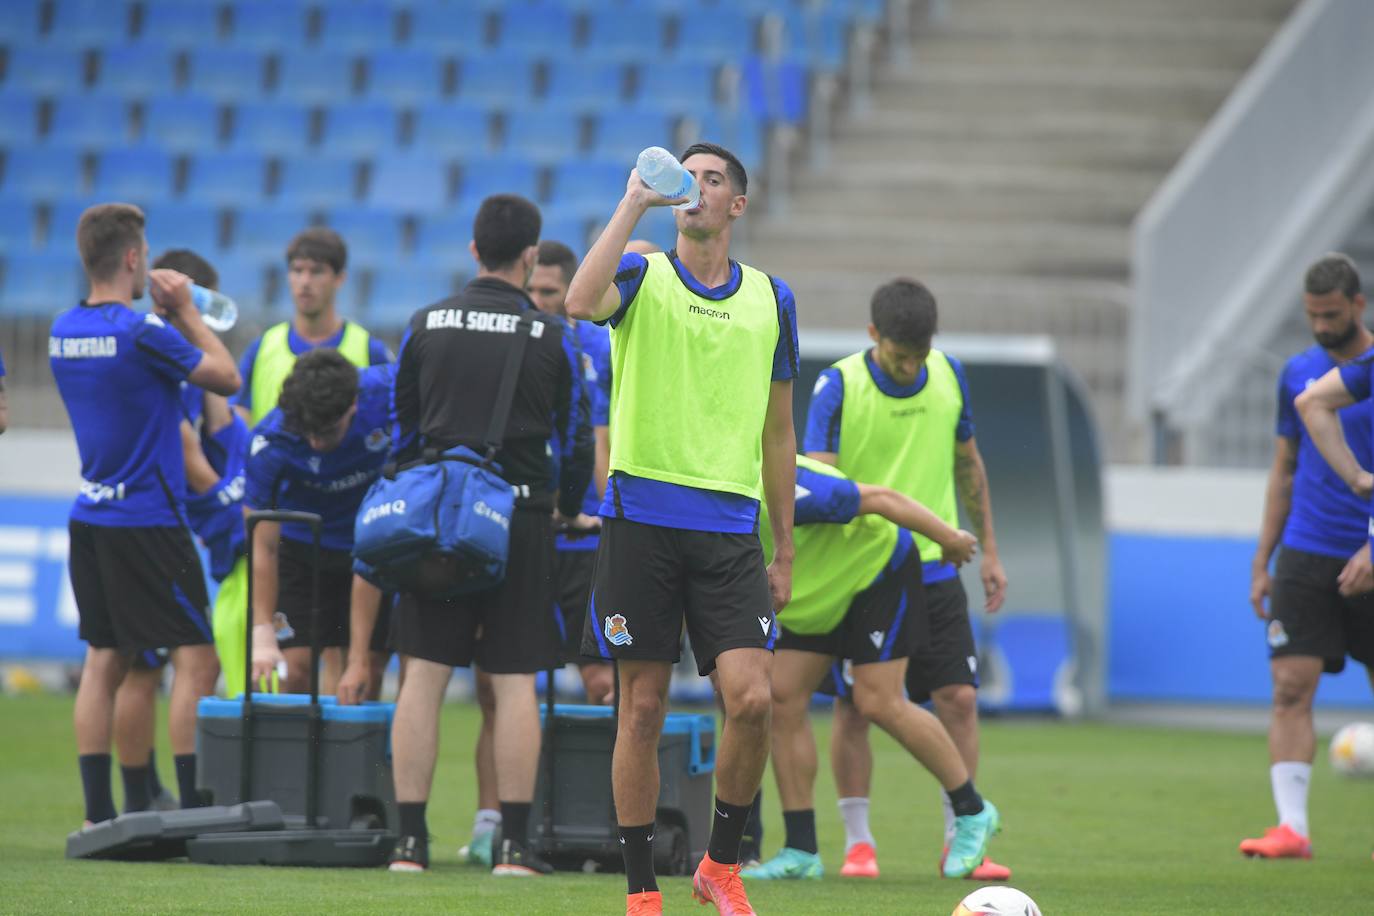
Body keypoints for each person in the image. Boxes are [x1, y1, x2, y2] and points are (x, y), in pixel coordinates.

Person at [566, 142, 798, 916]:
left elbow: (779, 435)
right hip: (642, 521)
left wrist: (786, 543)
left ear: (736, 205)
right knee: (641, 709)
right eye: (687, 178)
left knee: (754, 699)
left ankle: (719, 866)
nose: (696, 189)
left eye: (713, 180)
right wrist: (633, 201)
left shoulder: (772, 298)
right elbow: (575, 301)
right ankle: (640, 892)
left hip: (732, 530)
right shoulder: (640, 272)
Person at [346, 194, 593, 878]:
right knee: (513, 682)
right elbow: (574, 442)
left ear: (472, 252)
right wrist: (568, 507)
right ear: (531, 258)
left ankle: (409, 845)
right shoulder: (551, 336)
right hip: (519, 521)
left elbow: (403, 433)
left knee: (421, 678)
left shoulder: (425, 323)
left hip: (435, 524)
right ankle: (514, 847)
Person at [803, 277, 1010, 881]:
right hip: (864, 570)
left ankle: (960, 840)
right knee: (854, 710)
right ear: (873, 336)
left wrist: (990, 549)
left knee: (960, 699)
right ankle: (859, 844)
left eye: (918, 355)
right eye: (899, 355)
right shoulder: (837, 385)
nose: (910, 365)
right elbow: (823, 490)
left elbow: (967, 463)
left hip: (939, 566)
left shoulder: (949, 375)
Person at [50, 203, 240, 826]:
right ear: (134, 259)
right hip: (149, 520)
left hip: (92, 513)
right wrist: (185, 310)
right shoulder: (140, 332)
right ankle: (190, 806)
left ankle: (99, 813)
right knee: (197, 657)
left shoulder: (62, 331)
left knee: (105, 660)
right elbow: (225, 376)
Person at [741, 455, 1001, 881]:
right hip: (812, 595)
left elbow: (881, 498)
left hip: (874, 572)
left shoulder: (785, 482)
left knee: (876, 700)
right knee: (781, 697)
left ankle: (972, 811)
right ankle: (801, 850)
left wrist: (949, 539)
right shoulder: (704, 495)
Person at [451, 238, 610, 870]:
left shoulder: (591, 347)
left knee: (601, 681)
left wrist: (587, 507)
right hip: (522, 533)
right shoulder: (521, 345)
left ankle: (598, 820)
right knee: (496, 682)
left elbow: (594, 440)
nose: (540, 303)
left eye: (551, 294)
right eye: (535, 292)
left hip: (585, 538)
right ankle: (492, 821)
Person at [1251, 253, 1374, 860]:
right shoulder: (1298, 373)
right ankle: (1292, 828)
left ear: (1358, 305)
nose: (1321, 326)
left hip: (1369, 549)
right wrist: (1262, 561)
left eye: (1331, 314)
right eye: (1312, 316)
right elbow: (1284, 469)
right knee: (1288, 686)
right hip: (1306, 551)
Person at [110, 248, 242, 813]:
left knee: (137, 663)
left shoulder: (141, 343)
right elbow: (186, 444)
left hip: (122, 518)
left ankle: (140, 795)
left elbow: (220, 416)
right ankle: (190, 798)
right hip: (161, 524)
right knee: (193, 660)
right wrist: (223, 499)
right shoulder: (160, 345)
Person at [242, 350, 393, 697]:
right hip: (303, 551)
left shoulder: (387, 391)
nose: (315, 442)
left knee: (367, 673)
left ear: (354, 404)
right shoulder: (271, 441)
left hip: (371, 547)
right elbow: (261, 542)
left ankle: (359, 753)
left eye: (326, 431)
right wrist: (262, 630)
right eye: (307, 431)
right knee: (292, 672)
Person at [233, 227, 389, 426]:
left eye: (317, 271)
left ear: (340, 278)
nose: (305, 282)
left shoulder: (371, 351)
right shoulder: (261, 349)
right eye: (297, 270)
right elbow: (238, 423)